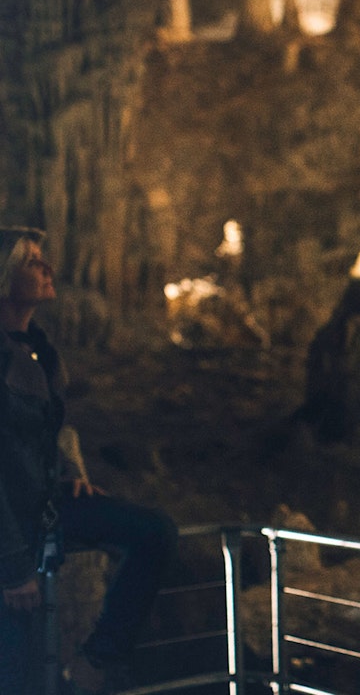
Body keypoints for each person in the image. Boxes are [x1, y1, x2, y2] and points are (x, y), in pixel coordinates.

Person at [0, 227, 178, 692]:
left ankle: (97, 660)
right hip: (9, 534)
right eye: (32, 262)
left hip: (45, 511)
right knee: (18, 672)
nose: (47, 269)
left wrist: (71, 468)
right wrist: (14, 567)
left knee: (153, 531)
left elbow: (53, 427)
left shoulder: (39, 349)